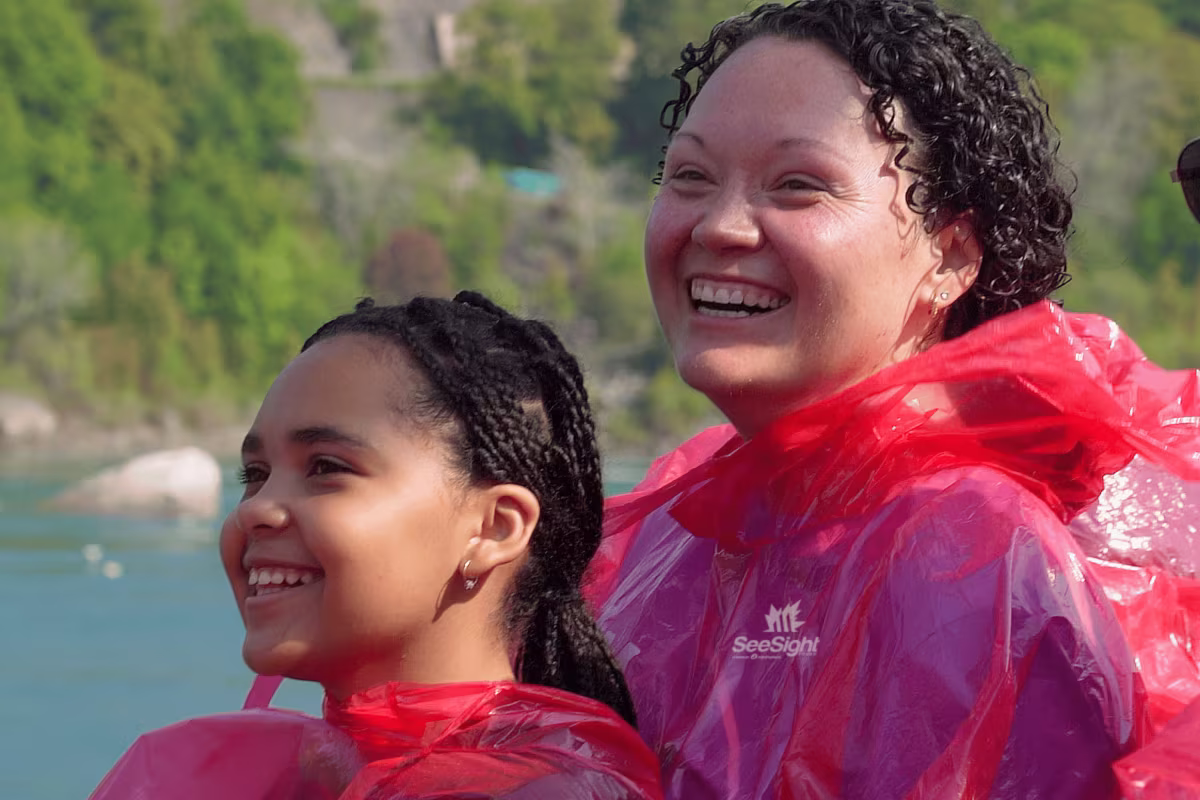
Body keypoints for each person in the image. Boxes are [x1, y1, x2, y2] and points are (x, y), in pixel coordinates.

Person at [586, 1, 1200, 798]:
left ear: (950, 255)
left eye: (798, 185)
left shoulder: (970, 554)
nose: (722, 227)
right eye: (690, 176)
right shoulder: (674, 524)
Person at [94, 292, 664, 800]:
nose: (255, 509)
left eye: (326, 467)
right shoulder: (253, 770)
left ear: (495, 527)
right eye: (255, 474)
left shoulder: (544, 790)